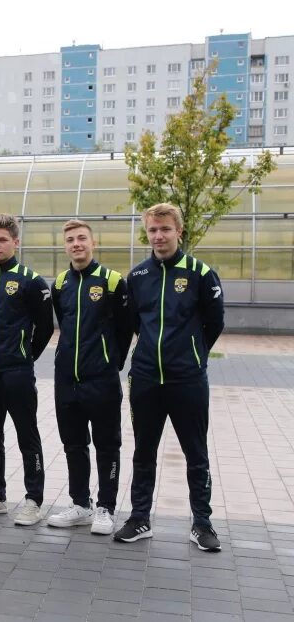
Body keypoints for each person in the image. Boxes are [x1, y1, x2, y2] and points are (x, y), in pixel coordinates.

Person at [114, 203, 225, 552]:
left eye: (165, 229)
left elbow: (214, 323)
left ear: (179, 230)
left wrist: (192, 355)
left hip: (187, 379)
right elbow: (134, 324)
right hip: (146, 378)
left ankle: (202, 524)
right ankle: (140, 518)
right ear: (146, 233)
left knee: (196, 452)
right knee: (143, 451)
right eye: (152, 230)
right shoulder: (138, 277)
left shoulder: (200, 273)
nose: (158, 236)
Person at [0, 213, 54, 526]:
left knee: (27, 435)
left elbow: (44, 328)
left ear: (16, 242)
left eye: (3, 240)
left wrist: (24, 356)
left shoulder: (32, 281)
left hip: (16, 372)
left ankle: (34, 499)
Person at [47, 219, 131, 536]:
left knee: (107, 445)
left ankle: (106, 508)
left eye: (82, 238)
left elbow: (125, 330)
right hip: (66, 379)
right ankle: (81, 504)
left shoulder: (112, 282)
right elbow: (62, 322)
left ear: (93, 243)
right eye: (70, 239)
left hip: (102, 379)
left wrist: (111, 362)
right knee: (73, 444)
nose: (76, 244)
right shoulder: (60, 284)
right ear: (65, 245)